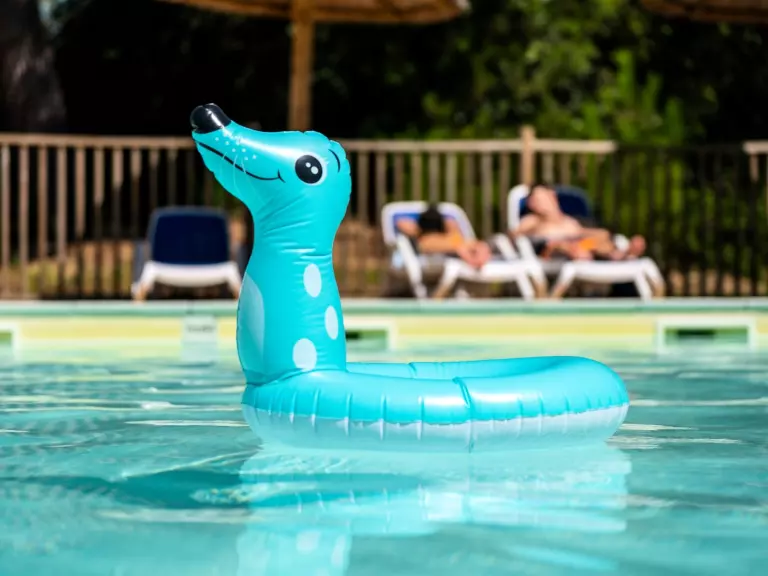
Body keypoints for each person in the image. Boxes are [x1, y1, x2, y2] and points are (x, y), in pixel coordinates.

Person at [513, 184, 647, 262]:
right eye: (537, 200)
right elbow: (515, 235)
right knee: (563, 246)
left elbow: (582, 232)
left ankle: (622, 253)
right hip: (552, 250)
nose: (541, 203)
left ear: (553, 197)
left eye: (544, 198)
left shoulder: (569, 221)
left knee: (598, 239)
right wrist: (541, 224)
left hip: (580, 245)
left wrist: (603, 234)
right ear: (531, 204)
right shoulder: (532, 220)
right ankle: (617, 254)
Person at [395, 204, 493, 298]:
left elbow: (401, 223)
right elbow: (401, 223)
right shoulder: (441, 240)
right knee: (454, 266)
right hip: (452, 260)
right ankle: (437, 297)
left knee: (457, 263)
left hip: (456, 257)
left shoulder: (429, 240)